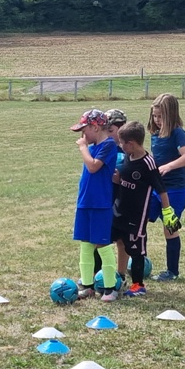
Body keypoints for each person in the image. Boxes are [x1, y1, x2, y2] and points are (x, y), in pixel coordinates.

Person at [112, 121, 181, 297]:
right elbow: (127, 179)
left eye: (122, 143)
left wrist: (167, 212)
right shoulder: (127, 156)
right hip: (119, 211)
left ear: (131, 144)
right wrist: (119, 181)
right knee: (104, 241)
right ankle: (111, 278)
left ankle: (138, 285)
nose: (120, 145)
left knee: (136, 250)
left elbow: (161, 189)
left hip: (136, 216)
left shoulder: (148, 163)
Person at [71, 109, 120, 302]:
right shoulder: (92, 146)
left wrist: (83, 148)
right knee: (85, 244)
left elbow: (93, 166)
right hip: (85, 202)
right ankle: (87, 285)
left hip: (100, 203)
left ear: (96, 127)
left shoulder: (108, 145)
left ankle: (110, 288)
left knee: (102, 244)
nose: (83, 136)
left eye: (85, 131)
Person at [146, 93, 185, 281]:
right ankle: (138, 263)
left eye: (161, 116)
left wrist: (169, 166)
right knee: (140, 220)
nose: (157, 120)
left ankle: (172, 272)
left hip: (175, 188)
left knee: (170, 228)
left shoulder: (178, 133)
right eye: (154, 116)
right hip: (156, 188)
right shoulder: (155, 134)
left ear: (171, 115)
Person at [105, 108, 128, 283]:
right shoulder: (104, 148)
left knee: (122, 239)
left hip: (123, 198)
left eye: (110, 130)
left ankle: (121, 274)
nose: (107, 134)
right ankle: (100, 274)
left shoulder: (128, 150)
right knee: (102, 238)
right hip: (105, 197)